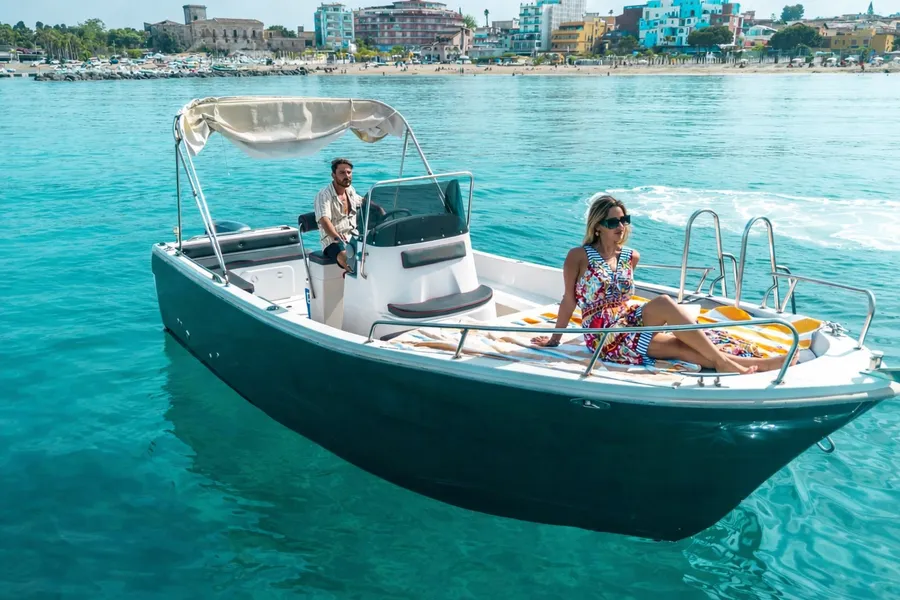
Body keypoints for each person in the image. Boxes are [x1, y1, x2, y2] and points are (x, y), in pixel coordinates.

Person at [532, 194, 794, 374]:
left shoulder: (630, 256)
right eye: (613, 222)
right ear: (598, 226)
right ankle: (759, 364)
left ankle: (730, 362)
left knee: (665, 305)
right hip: (603, 333)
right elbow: (569, 300)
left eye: (624, 220)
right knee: (677, 346)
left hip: (627, 318)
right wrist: (556, 339)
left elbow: (623, 300)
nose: (620, 226)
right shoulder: (578, 256)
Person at [313, 158, 363, 272]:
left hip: (353, 236)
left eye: (349, 172)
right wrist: (338, 238)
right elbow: (325, 221)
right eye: (342, 173)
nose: (347, 176)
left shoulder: (350, 190)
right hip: (333, 241)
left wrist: (380, 207)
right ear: (333, 175)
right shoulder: (323, 195)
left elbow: (362, 201)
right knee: (350, 261)